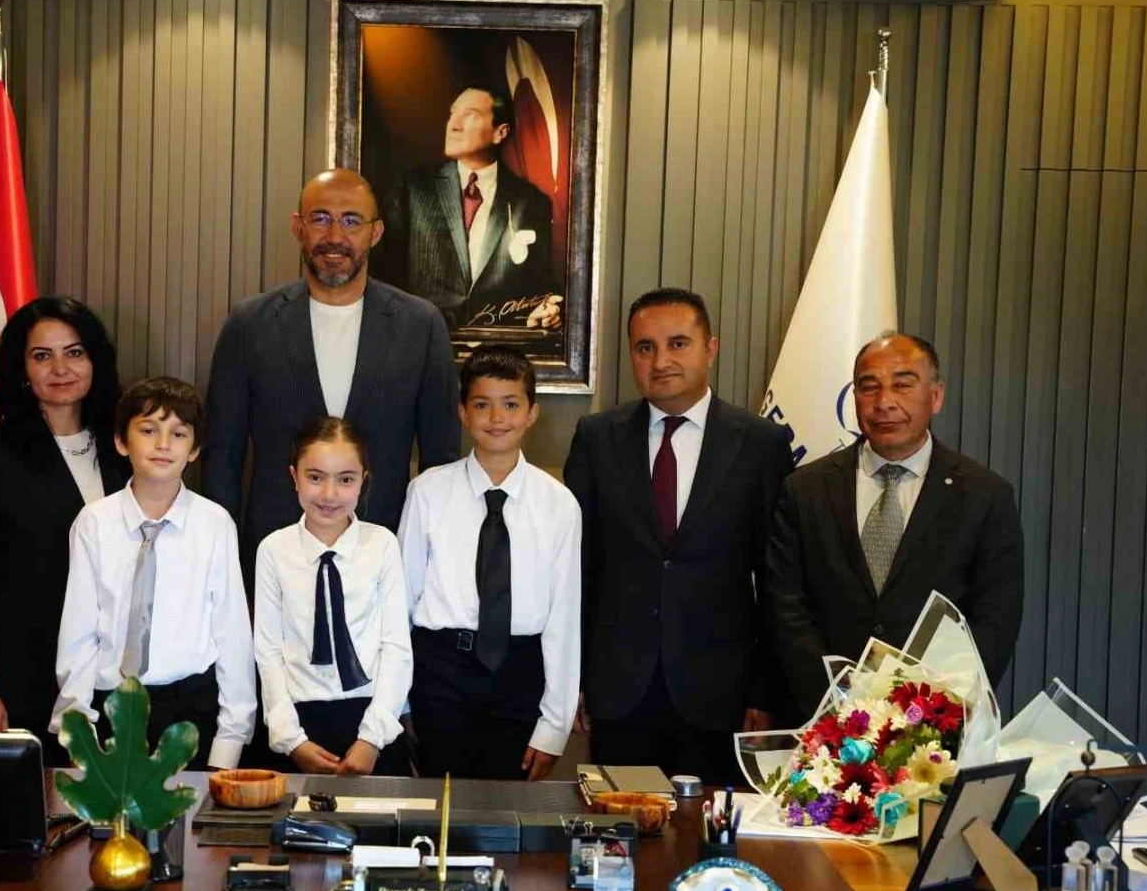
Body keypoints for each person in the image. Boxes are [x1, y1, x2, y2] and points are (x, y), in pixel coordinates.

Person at [563, 288, 792, 782]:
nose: (661, 361)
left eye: (678, 344)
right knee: (619, 824)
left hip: (722, 696)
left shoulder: (761, 445)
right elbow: (578, 570)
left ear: (711, 349)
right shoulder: (596, 438)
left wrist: (765, 691)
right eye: (645, 347)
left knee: (709, 828)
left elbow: (778, 582)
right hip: (619, 691)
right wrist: (574, 678)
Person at [202, 168, 460, 585]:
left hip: (385, 557)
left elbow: (440, 460)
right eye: (320, 218)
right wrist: (223, 566)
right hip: (273, 559)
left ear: (376, 232)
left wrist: (431, 564)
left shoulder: (420, 325)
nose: (335, 235)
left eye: (351, 221)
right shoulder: (249, 324)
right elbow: (222, 454)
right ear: (298, 227)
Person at [766, 332, 1024, 720]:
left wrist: (931, 711)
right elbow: (785, 605)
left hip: (933, 726)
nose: (884, 402)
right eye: (869, 387)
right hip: (821, 717)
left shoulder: (985, 496)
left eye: (903, 385)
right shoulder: (804, 490)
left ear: (935, 396)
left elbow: (995, 618)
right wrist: (837, 701)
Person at [0, 296, 128, 765]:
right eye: (42, 356)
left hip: (120, 680)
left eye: (74, 352)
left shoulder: (128, 447)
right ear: (22, 370)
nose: (60, 368)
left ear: (95, 360)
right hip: (29, 674)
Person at [51, 377, 256, 769]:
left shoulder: (214, 524)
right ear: (121, 441)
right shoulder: (94, 522)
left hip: (190, 709)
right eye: (148, 430)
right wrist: (77, 731)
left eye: (178, 434)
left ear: (194, 449)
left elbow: (232, 634)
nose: (163, 444)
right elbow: (78, 633)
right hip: (110, 706)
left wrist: (230, 741)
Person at [399, 344, 580, 780]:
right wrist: (398, 702)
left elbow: (564, 620)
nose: (497, 418)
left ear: (532, 413)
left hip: (520, 676)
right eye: (482, 405)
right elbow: (401, 600)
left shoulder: (559, 505)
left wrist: (555, 725)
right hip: (441, 672)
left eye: (511, 405)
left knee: (507, 804)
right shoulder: (427, 492)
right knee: (442, 800)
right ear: (463, 412)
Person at [252, 417, 413, 776]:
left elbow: (397, 648)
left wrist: (372, 738)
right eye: (315, 477)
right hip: (297, 719)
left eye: (345, 479)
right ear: (294, 477)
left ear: (363, 481)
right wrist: (291, 740)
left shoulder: (382, 544)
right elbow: (267, 651)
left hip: (371, 718)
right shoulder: (274, 550)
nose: (329, 494)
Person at [382, 87, 556, 329]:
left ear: (500, 132)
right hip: (422, 338)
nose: (453, 125)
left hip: (498, 342)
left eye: (470, 114)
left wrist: (545, 310)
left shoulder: (531, 201)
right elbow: (385, 277)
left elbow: (539, 286)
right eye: (453, 114)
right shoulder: (412, 188)